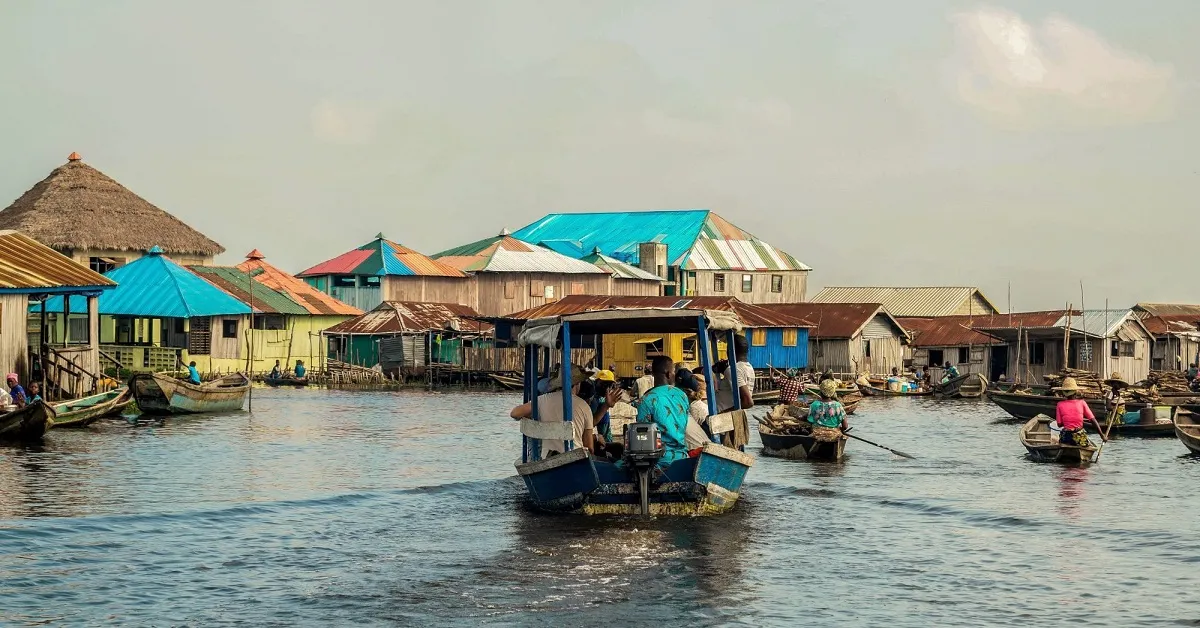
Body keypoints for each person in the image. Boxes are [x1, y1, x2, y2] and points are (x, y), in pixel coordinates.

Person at [510, 364, 595, 458]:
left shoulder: (542, 400)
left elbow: (514, 413)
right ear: (577, 383)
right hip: (575, 458)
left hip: (547, 458)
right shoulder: (584, 406)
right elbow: (589, 447)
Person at [636, 356, 690, 468]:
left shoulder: (646, 400)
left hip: (658, 462)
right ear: (668, 374)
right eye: (673, 372)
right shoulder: (682, 396)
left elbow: (642, 438)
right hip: (682, 458)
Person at [1052, 377, 1102, 447]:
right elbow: (1093, 420)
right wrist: (1102, 436)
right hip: (1080, 437)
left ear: (1063, 392)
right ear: (1075, 391)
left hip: (1067, 437)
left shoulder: (1059, 404)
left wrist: (1068, 421)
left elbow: (1059, 424)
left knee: (1060, 439)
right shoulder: (1082, 403)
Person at [716, 334, 755, 412]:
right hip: (737, 417)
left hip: (725, 419)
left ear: (730, 351)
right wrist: (725, 371)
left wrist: (723, 413)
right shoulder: (749, 367)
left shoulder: (733, 370)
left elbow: (748, 402)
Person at [590, 370, 620, 446]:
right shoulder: (592, 398)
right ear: (597, 382)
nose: (607, 388)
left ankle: (607, 441)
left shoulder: (600, 398)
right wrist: (606, 406)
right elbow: (590, 423)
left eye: (609, 385)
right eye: (604, 384)